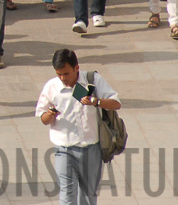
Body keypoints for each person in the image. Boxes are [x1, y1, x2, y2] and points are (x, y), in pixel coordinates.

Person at [34, 48, 121, 205]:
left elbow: (116, 103)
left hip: (91, 149)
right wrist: (50, 114)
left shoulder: (93, 80)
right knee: (67, 196)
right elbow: (43, 118)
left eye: (66, 74)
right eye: (59, 74)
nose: (62, 78)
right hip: (64, 150)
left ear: (76, 68)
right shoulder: (52, 87)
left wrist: (96, 102)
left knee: (88, 196)